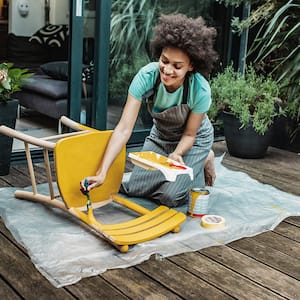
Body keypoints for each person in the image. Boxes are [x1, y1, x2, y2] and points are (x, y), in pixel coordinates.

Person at [80, 14, 218, 207]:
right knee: (136, 188)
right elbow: (124, 129)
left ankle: (203, 158)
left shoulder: (200, 90)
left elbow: (189, 133)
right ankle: (190, 167)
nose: (168, 70)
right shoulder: (147, 76)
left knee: (171, 197)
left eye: (177, 66)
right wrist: (102, 172)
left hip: (193, 141)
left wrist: (178, 153)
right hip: (161, 136)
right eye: (164, 60)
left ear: (191, 66)